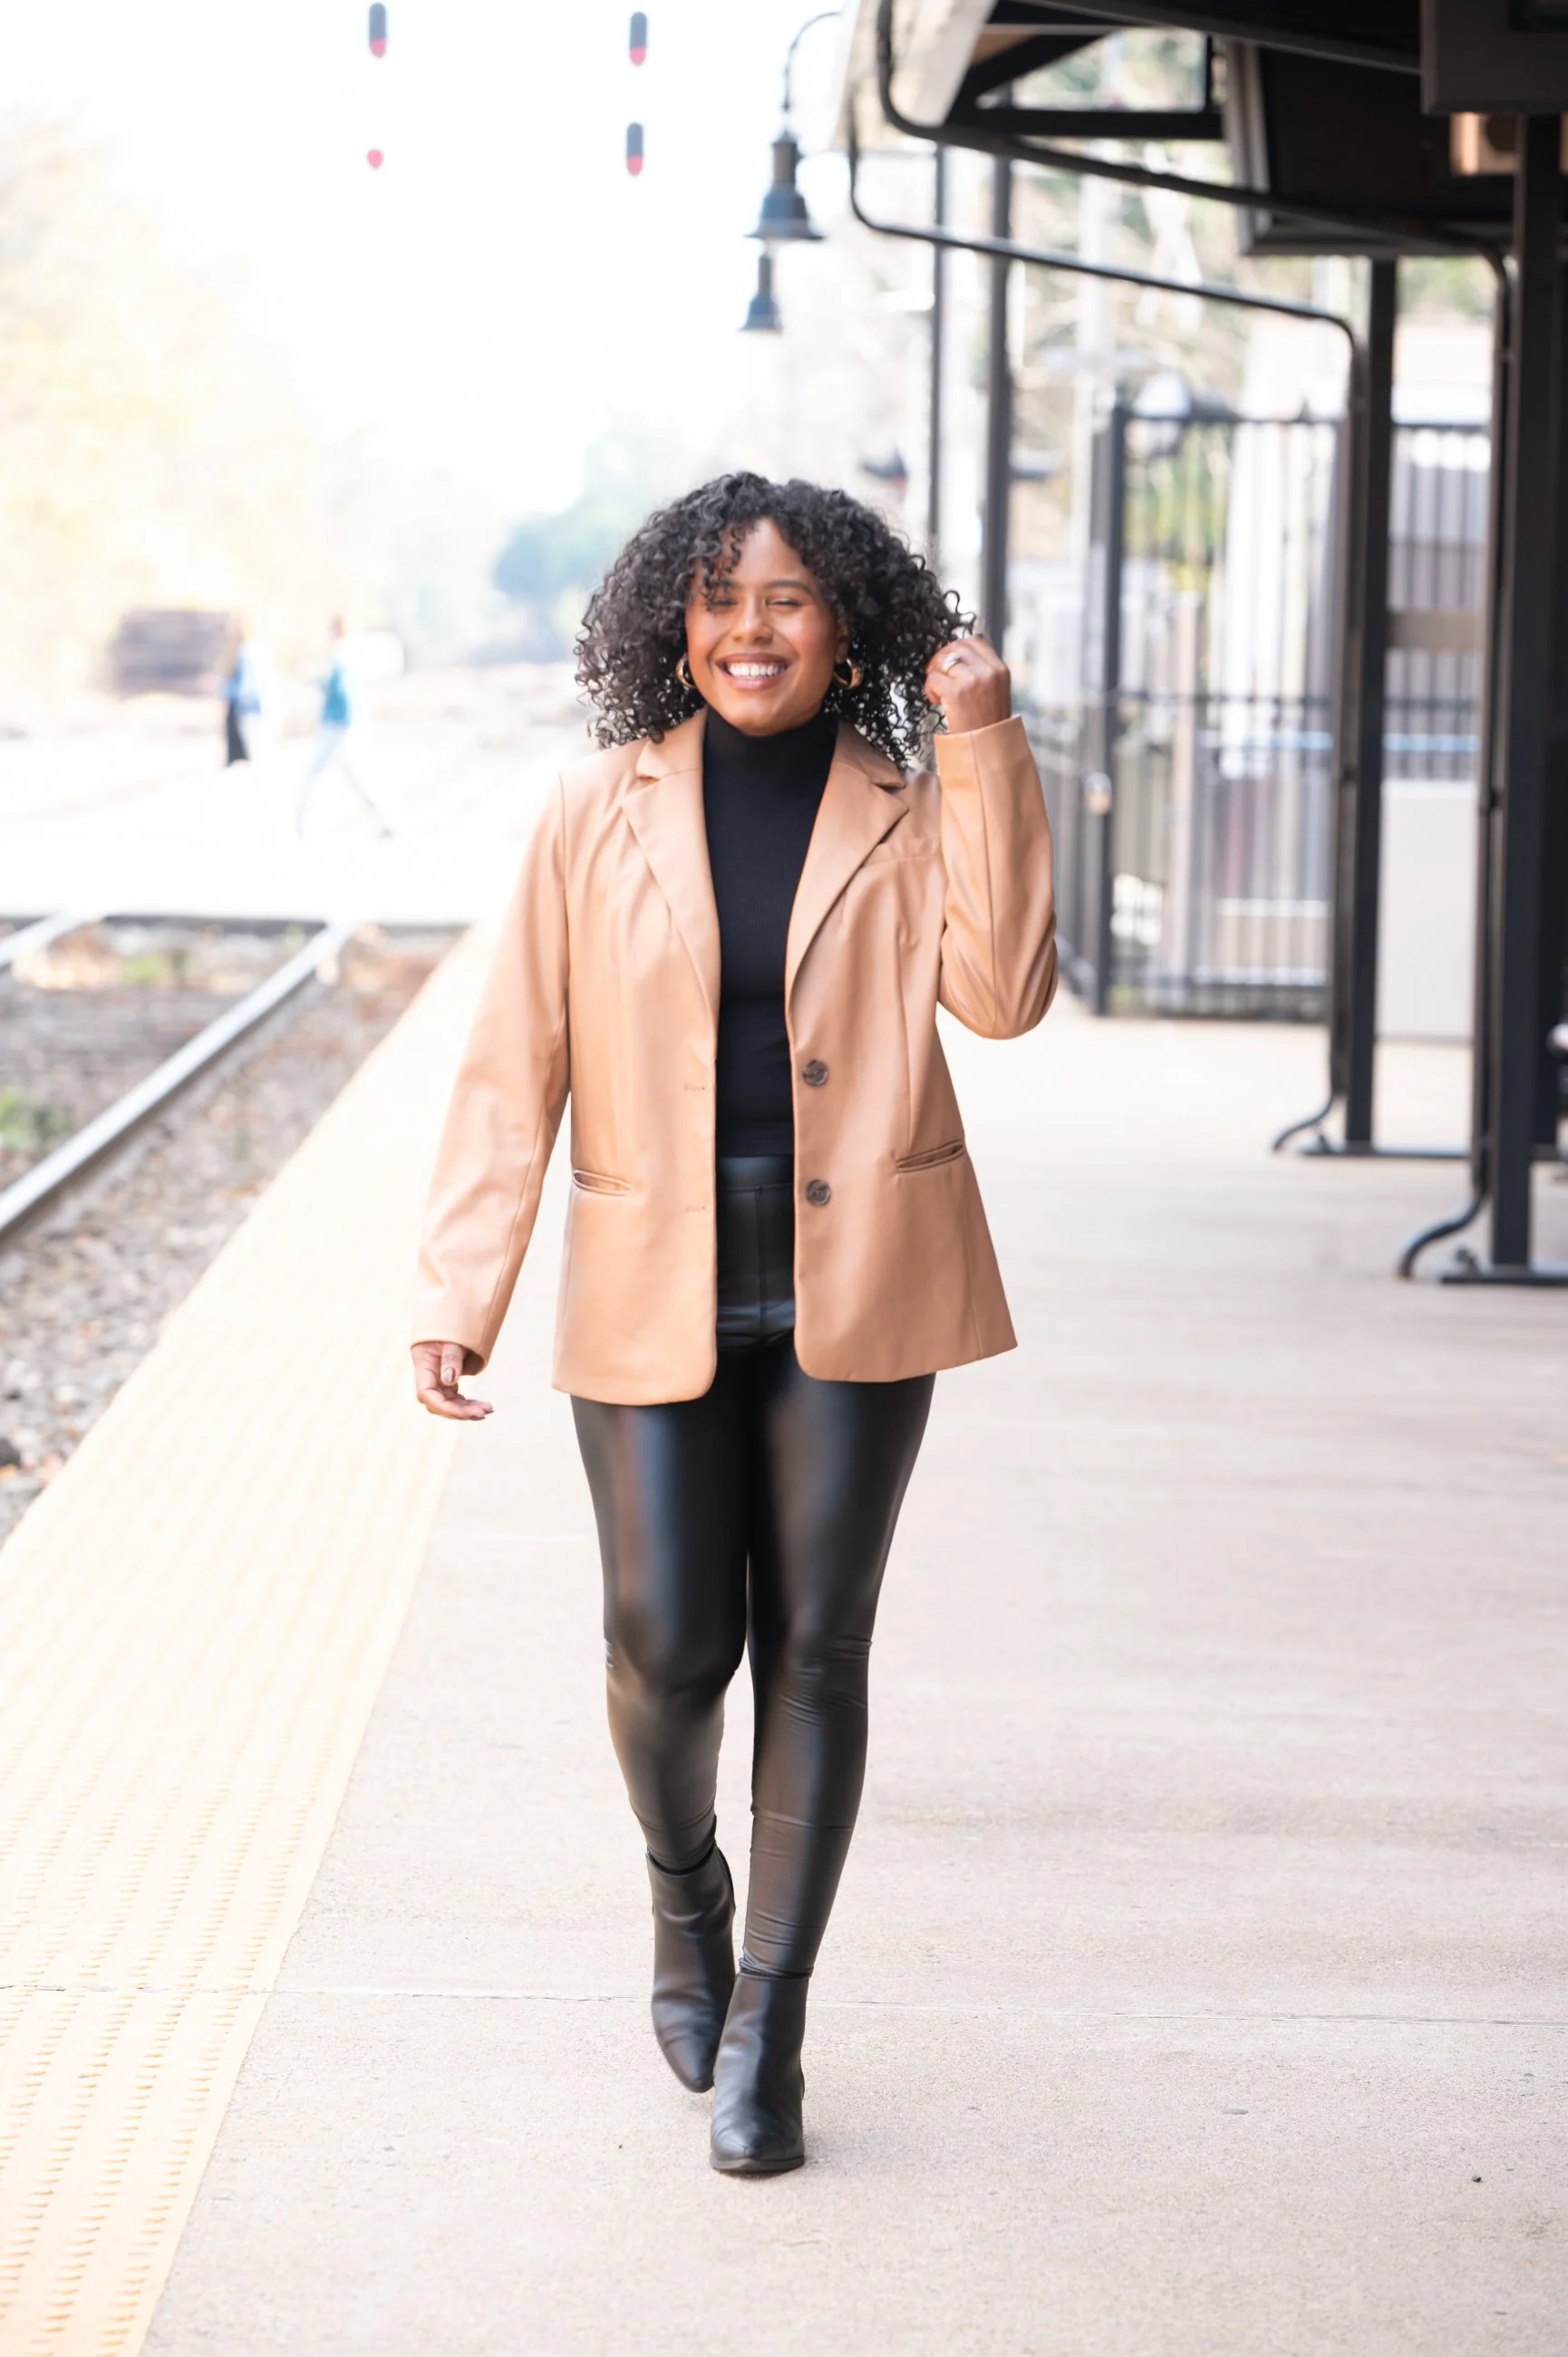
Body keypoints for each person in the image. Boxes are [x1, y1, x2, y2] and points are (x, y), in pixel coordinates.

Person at [411, 473, 1057, 2177]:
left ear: (850, 624)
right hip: (652, 1276)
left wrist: (987, 746)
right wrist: (456, 1291)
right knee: (665, 1644)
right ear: (667, 625)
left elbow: (1002, 997)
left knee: (820, 1649)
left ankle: (770, 2016)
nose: (748, 630)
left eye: (784, 599)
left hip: (865, 1279)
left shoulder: (911, 802)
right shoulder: (590, 811)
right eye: (716, 598)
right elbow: (510, 1063)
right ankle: (681, 1887)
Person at [295, 616, 393, 838]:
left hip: (338, 724)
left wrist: (315, 684)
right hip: (349, 722)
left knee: (318, 773)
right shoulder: (354, 653)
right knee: (355, 775)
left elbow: (339, 692)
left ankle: (301, 823)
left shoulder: (341, 654)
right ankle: (386, 820)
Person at [222, 619, 264, 766]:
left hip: (247, 712)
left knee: (255, 757)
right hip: (245, 711)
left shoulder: (246, 653)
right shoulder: (244, 652)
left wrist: (224, 690)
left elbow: (246, 689)